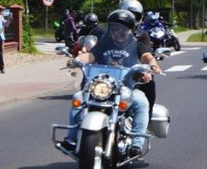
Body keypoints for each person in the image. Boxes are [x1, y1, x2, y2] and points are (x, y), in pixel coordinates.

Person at [61, 9, 161, 159]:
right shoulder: (105, 42)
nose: (118, 32)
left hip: (127, 88)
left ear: (129, 30)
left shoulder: (135, 43)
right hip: (103, 87)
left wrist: (151, 66)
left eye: (123, 29)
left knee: (142, 102)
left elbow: (146, 55)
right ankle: (71, 138)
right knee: (79, 98)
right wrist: (77, 60)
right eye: (115, 29)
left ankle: (137, 143)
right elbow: (91, 55)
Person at [119, 0, 158, 108]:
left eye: (133, 15)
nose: (130, 19)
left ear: (139, 17)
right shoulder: (109, 33)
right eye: (126, 15)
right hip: (110, 74)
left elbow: (145, 54)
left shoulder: (140, 35)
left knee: (147, 86)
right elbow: (94, 52)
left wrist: (151, 65)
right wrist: (81, 57)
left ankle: (146, 121)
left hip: (133, 74)